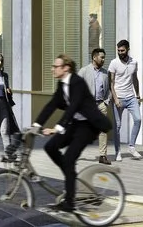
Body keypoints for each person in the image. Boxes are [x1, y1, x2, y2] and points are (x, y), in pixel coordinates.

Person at [34, 55, 107, 215]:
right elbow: (52, 104)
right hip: (75, 124)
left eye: (56, 66)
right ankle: (70, 175)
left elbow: (73, 106)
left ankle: (70, 203)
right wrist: (35, 126)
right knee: (50, 147)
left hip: (88, 125)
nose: (53, 68)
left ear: (66, 68)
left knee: (68, 159)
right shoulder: (62, 84)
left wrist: (57, 128)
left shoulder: (77, 82)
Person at [111, 41, 142, 158]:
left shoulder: (134, 62)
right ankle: (117, 151)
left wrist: (137, 95)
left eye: (122, 50)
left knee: (138, 120)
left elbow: (135, 79)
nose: (120, 53)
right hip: (118, 98)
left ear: (128, 49)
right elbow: (111, 83)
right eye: (118, 50)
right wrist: (115, 99)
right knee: (118, 126)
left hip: (131, 97)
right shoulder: (114, 63)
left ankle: (131, 147)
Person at [84, 49, 113, 164]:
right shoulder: (85, 71)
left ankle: (102, 156)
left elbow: (110, 88)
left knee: (103, 130)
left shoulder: (105, 73)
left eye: (104, 57)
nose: (104, 59)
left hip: (101, 104)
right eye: (102, 57)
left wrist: (106, 102)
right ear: (94, 57)